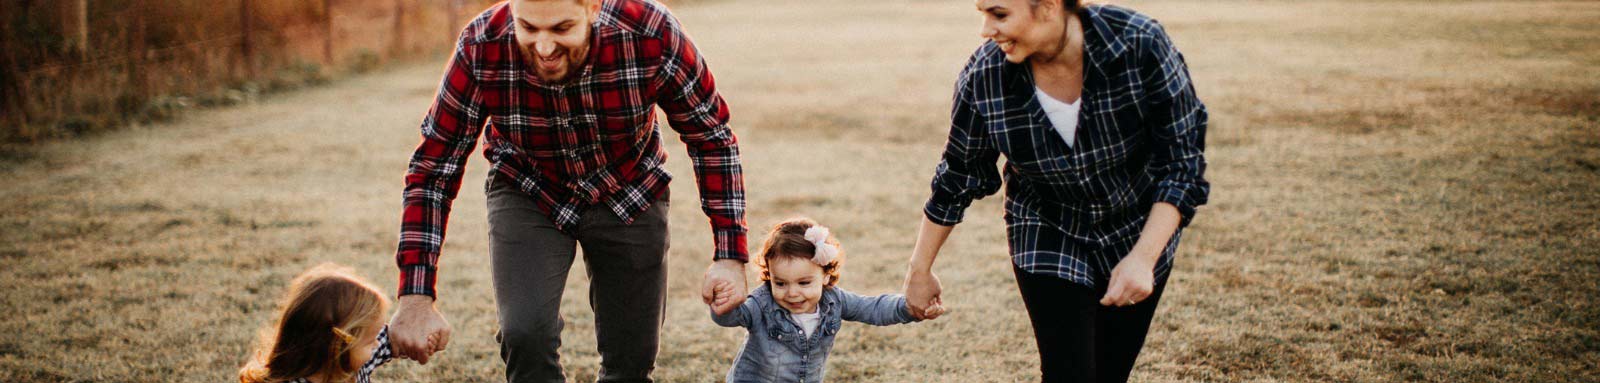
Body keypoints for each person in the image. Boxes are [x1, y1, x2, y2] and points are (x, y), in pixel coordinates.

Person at [386, 0, 752, 381]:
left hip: (629, 188)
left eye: (561, 29)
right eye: (528, 28)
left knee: (632, 356)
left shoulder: (650, 32)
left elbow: (711, 136)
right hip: (528, 187)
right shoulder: (482, 44)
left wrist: (729, 254)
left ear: (593, 8)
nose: (543, 48)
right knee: (525, 334)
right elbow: (434, 169)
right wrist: (416, 294)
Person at [903, 0, 1209, 381]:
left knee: (1110, 372)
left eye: (999, 15)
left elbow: (1182, 164)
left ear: (1048, 7)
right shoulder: (985, 75)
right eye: (982, 14)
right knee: (1069, 373)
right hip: (1046, 226)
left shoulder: (1138, 44)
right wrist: (920, 269)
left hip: (1136, 225)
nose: (985, 30)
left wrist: (1143, 258)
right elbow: (958, 175)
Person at [712, 218, 945, 383]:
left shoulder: (834, 301)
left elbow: (873, 309)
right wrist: (724, 302)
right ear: (769, 276)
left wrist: (908, 308)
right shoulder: (761, 304)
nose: (792, 293)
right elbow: (732, 316)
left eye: (804, 283)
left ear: (825, 275)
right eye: (780, 283)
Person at [239, 264, 399, 383]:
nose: (378, 344)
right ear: (338, 346)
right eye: (370, 340)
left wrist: (419, 336)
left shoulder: (350, 363)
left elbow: (393, 339)